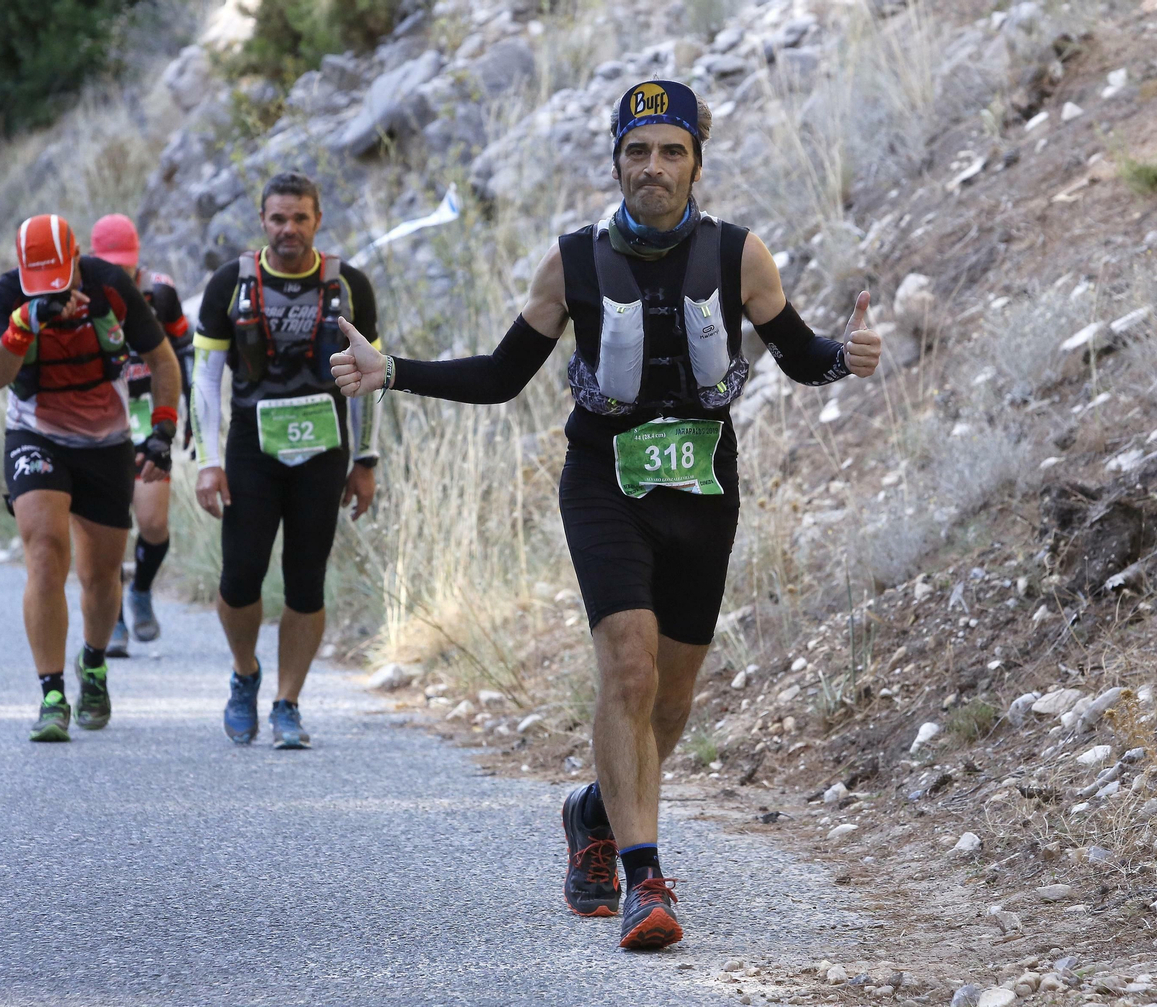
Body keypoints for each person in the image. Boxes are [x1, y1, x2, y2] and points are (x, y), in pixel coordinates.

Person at [330, 80, 883, 950]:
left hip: (702, 487)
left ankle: (593, 806)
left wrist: (844, 358)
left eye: (671, 151)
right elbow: (503, 374)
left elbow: (801, 353)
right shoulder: (573, 263)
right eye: (637, 151)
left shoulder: (741, 256)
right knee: (626, 669)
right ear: (616, 160)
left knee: (668, 703)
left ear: (697, 161)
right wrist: (391, 369)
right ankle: (644, 879)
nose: (653, 167)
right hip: (604, 483)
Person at [0, 213, 181, 743]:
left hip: (106, 440)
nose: (51, 288)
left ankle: (93, 664)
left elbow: (162, 361)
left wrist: (162, 432)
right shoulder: (7, 295)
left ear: (75, 260)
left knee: (100, 574)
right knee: (44, 550)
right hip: (36, 434)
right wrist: (26, 321)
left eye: (58, 279)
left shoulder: (110, 287)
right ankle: (50, 693)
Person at [192, 171, 381, 750]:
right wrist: (206, 459)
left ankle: (288, 702)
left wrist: (367, 458)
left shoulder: (350, 285)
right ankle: (245, 673)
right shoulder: (231, 283)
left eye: (300, 218)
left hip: (324, 450)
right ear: (262, 221)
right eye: (278, 218)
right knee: (240, 575)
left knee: (306, 581)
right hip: (252, 447)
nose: (289, 229)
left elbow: (369, 375)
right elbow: (205, 377)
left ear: (317, 219)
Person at [88, 213, 195, 656]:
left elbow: (184, 349)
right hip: (99, 420)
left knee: (152, 524)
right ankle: (112, 619)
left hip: (151, 414)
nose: (121, 272)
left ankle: (141, 591)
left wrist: (187, 414)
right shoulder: (80, 293)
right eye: (111, 263)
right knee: (107, 525)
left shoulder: (161, 291)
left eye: (127, 263)